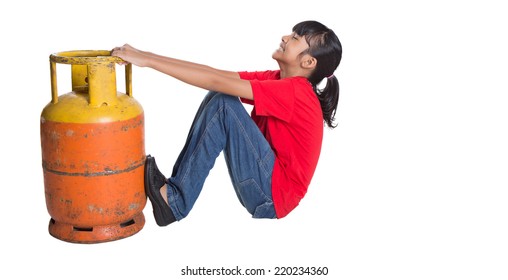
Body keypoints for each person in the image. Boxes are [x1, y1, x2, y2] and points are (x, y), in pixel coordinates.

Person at [111, 20, 342, 226]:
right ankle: (173, 195)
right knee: (219, 96)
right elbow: (215, 75)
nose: (284, 38)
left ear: (308, 62)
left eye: (294, 38)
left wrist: (147, 61)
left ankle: (175, 202)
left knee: (223, 102)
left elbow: (214, 80)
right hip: (265, 184)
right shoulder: (278, 79)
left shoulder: (296, 92)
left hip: (271, 195)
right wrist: (145, 55)